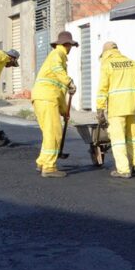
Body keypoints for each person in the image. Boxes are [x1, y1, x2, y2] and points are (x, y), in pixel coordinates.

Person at [96, 42, 135, 179]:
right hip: (133, 107)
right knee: (133, 137)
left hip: (117, 108)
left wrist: (100, 109)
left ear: (105, 53)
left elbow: (103, 89)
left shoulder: (107, 65)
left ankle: (123, 170)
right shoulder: (133, 64)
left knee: (118, 139)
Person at [31, 31, 78, 178]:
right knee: (54, 133)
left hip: (43, 97)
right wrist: (69, 82)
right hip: (47, 97)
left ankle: (42, 162)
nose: (71, 49)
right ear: (67, 45)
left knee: (48, 132)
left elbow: (60, 91)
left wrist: (64, 111)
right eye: (70, 45)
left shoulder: (56, 57)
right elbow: (59, 75)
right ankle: (49, 168)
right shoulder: (58, 55)